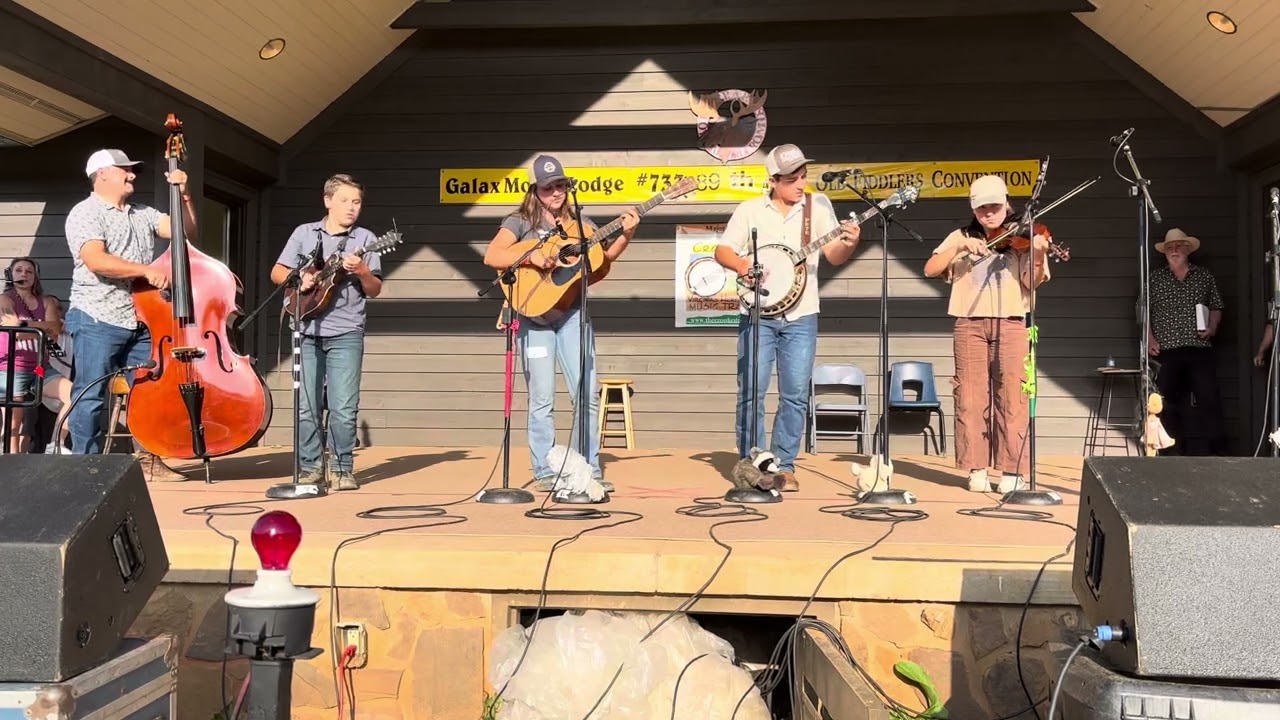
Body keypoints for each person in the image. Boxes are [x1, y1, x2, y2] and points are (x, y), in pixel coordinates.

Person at [482, 154, 639, 491]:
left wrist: (626, 234)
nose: (556, 192)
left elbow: (602, 257)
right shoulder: (519, 221)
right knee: (542, 398)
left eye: (560, 185)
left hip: (571, 315)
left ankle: (590, 469)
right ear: (535, 191)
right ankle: (544, 471)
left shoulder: (580, 224)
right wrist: (532, 256)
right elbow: (492, 255)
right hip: (533, 317)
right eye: (548, 187)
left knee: (586, 393)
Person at [713, 144, 861, 492]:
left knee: (795, 394)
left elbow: (834, 256)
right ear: (774, 181)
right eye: (792, 179)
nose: (800, 184)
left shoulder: (818, 206)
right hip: (757, 315)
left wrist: (850, 243)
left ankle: (785, 465)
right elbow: (722, 250)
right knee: (752, 392)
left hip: (802, 314)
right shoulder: (750, 210)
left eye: (803, 176)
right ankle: (752, 463)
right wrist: (743, 265)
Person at [63, 149, 192, 480]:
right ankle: (85, 468)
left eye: (132, 170)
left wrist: (183, 195)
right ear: (102, 174)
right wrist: (145, 271)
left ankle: (149, 459)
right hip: (97, 316)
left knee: (148, 392)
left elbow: (184, 231)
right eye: (125, 170)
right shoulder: (85, 212)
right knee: (91, 394)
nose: (132, 175)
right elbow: (97, 260)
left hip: (140, 318)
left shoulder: (143, 212)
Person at [923, 175, 1051, 493]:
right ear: (973, 208)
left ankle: (1013, 470)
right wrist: (958, 246)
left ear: (1007, 202)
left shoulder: (1023, 231)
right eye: (982, 209)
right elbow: (931, 268)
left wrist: (1036, 254)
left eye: (995, 206)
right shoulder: (961, 235)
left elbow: (1031, 283)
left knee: (1013, 395)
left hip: (1010, 321)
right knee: (969, 395)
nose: (989, 214)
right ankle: (975, 467)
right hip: (969, 322)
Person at [270, 174, 383, 491]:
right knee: (307, 405)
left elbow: (375, 289)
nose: (351, 207)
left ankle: (343, 468)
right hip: (305, 328)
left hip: (346, 331)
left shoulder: (366, 238)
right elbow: (277, 272)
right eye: (345, 200)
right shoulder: (305, 234)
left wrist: (361, 271)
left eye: (357, 202)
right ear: (328, 200)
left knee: (343, 407)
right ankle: (310, 469)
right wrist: (300, 279)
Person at [1146, 228, 1224, 456]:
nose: (1174, 250)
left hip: (1198, 348)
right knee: (1166, 403)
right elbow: (1143, 312)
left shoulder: (1203, 276)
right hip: (1166, 350)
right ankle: (1171, 452)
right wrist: (1150, 338)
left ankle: (1218, 453)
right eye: (1169, 247)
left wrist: (1212, 327)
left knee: (1209, 399)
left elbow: (1216, 305)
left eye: (1178, 246)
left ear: (1188, 249)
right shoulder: (1155, 279)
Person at [0, 258, 63, 453]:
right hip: (12, 365)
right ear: (11, 275)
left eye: (29, 271)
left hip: (40, 366)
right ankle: (11, 461)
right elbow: (13, 330)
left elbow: (55, 329)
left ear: (35, 277)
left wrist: (25, 324)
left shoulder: (46, 302)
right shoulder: (4, 299)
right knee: (14, 422)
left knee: (73, 396)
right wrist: (39, 328)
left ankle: (56, 444)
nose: (24, 275)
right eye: (19, 270)